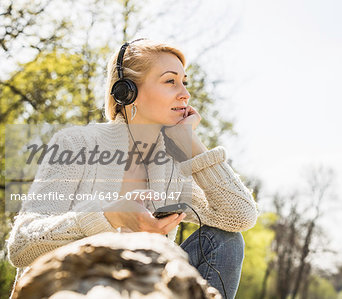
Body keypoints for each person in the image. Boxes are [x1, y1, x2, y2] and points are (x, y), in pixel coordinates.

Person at [7, 38, 258, 298]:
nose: (185, 93)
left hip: (141, 288)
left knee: (226, 240)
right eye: (170, 81)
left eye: (185, 82)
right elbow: (22, 246)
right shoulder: (74, 145)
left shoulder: (170, 166)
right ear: (127, 92)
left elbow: (239, 216)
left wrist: (191, 143)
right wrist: (110, 215)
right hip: (72, 288)